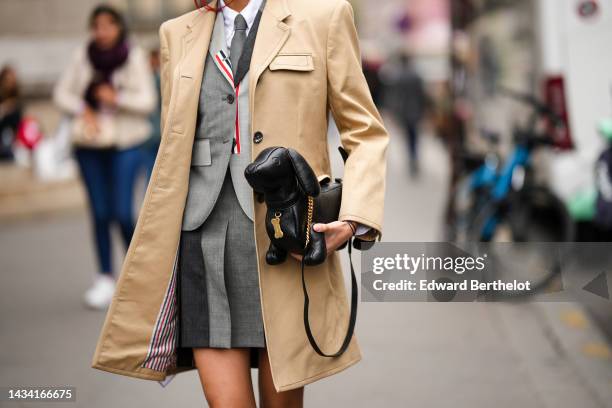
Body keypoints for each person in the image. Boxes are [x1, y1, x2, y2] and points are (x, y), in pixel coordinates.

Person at [91, 0, 388, 406]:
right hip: (200, 237)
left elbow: (365, 133)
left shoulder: (323, 17)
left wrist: (354, 220)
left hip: (284, 238)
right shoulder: (177, 33)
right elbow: (174, 141)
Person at [53, 5, 156, 309]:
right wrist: (82, 108)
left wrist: (117, 98)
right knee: (99, 212)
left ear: (119, 28)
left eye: (108, 25)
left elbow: (148, 101)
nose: (102, 32)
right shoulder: (83, 55)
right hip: (90, 144)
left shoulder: (133, 56)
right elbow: (61, 93)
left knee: (123, 212)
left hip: (126, 143)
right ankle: (104, 277)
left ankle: (135, 276)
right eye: (96, 26)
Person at [384, 52, 427, 176]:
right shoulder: (416, 76)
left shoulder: (398, 77)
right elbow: (422, 95)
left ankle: (411, 157)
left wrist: (394, 112)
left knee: (408, 136)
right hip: (416, 111)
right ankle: (414, 157)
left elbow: (395, 97)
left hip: (403, 112)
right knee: (415, 136)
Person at [140, 49, 162, 184]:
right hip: (152, 130)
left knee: (153, 168)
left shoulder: (154, 79)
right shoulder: (153, 79)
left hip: (154, 130)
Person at [0, 65, 23, 161]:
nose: (10, 83)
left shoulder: (17, 100)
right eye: (8, 80)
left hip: (11, 139)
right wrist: (4, 109)